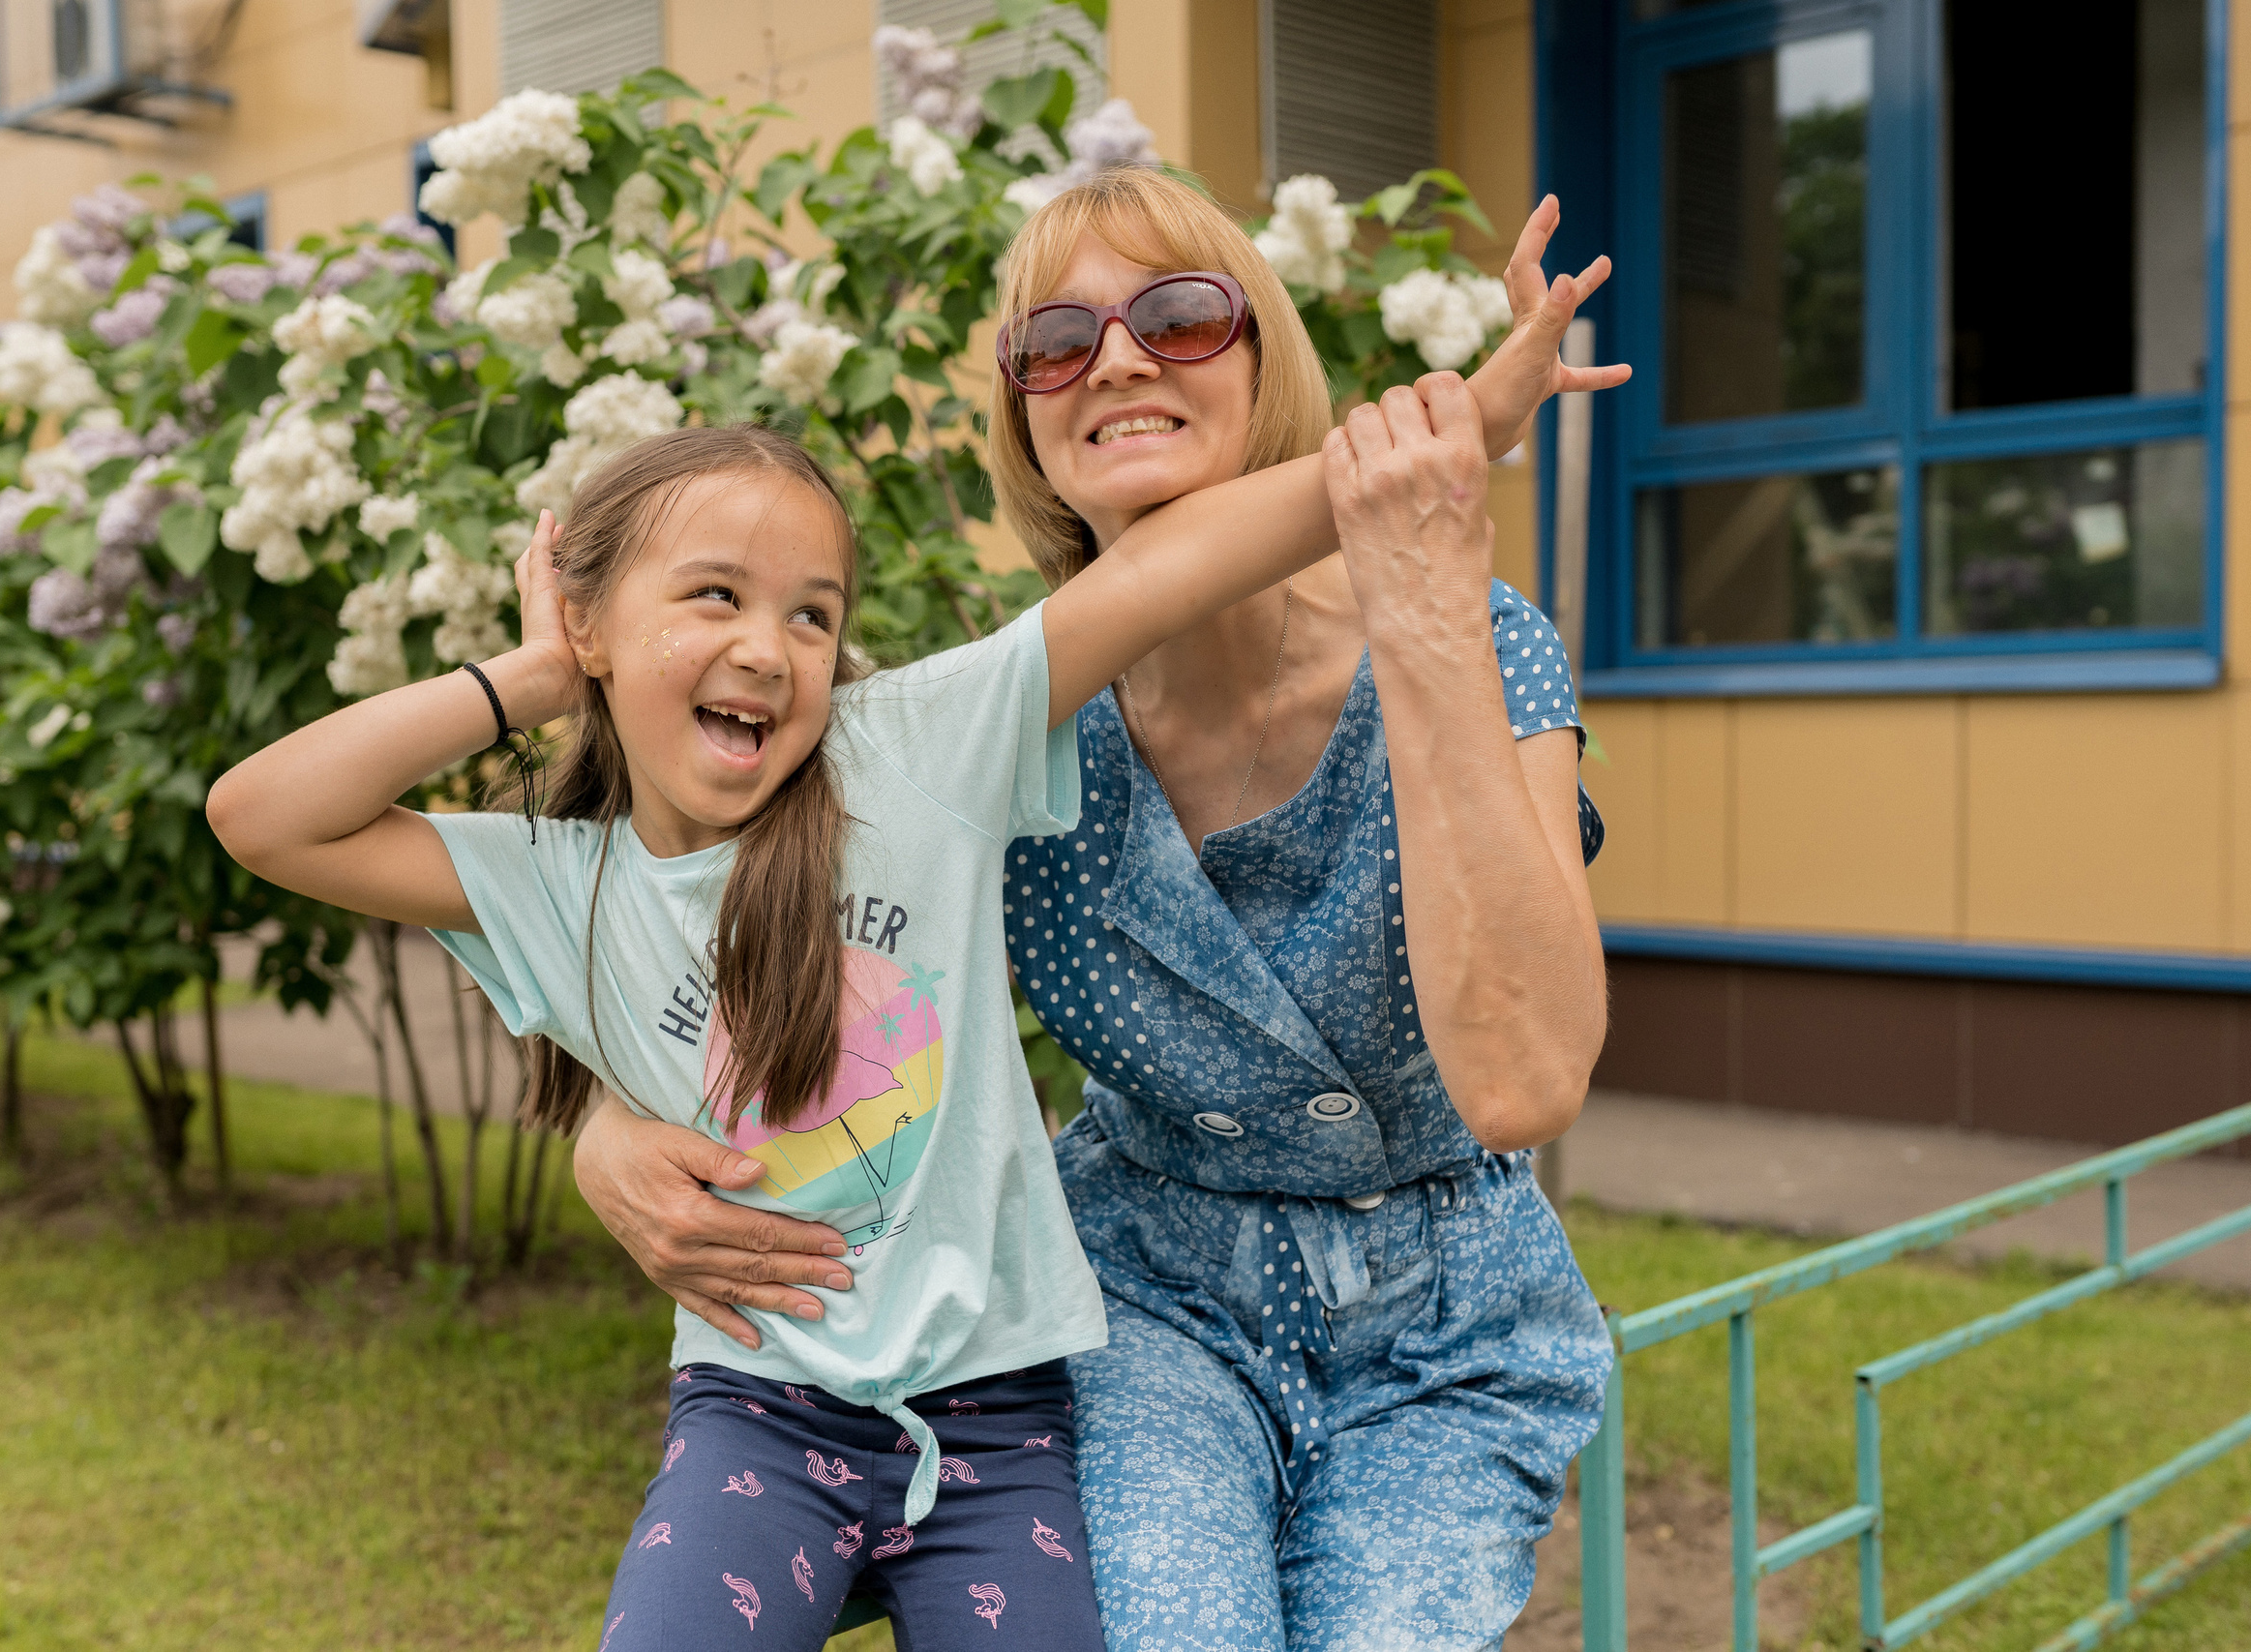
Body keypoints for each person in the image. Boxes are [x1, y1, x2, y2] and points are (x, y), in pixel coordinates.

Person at [203, 287, 1579, 1648]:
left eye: (813, 614)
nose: (767, 645)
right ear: (594, 622)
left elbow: (1165, 572)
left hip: (1002, 1422)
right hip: (762, 1419)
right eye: (713, 598)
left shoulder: (907, 755)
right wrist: (534, 672)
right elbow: (262, 816)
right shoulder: (556, 884)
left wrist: (1448, 431)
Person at [566, 167, 1629, 1649]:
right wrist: (605, 1128)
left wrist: (1428, 603)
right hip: (1146, 1306)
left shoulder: (1473, 636)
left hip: (1450, 1338)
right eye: (1055, 343)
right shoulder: (991, 737)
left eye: (1182, 316)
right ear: (1026, 418)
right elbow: (694, 912)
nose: (1117, 359)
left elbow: (1526, 1083)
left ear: (1268, 362)